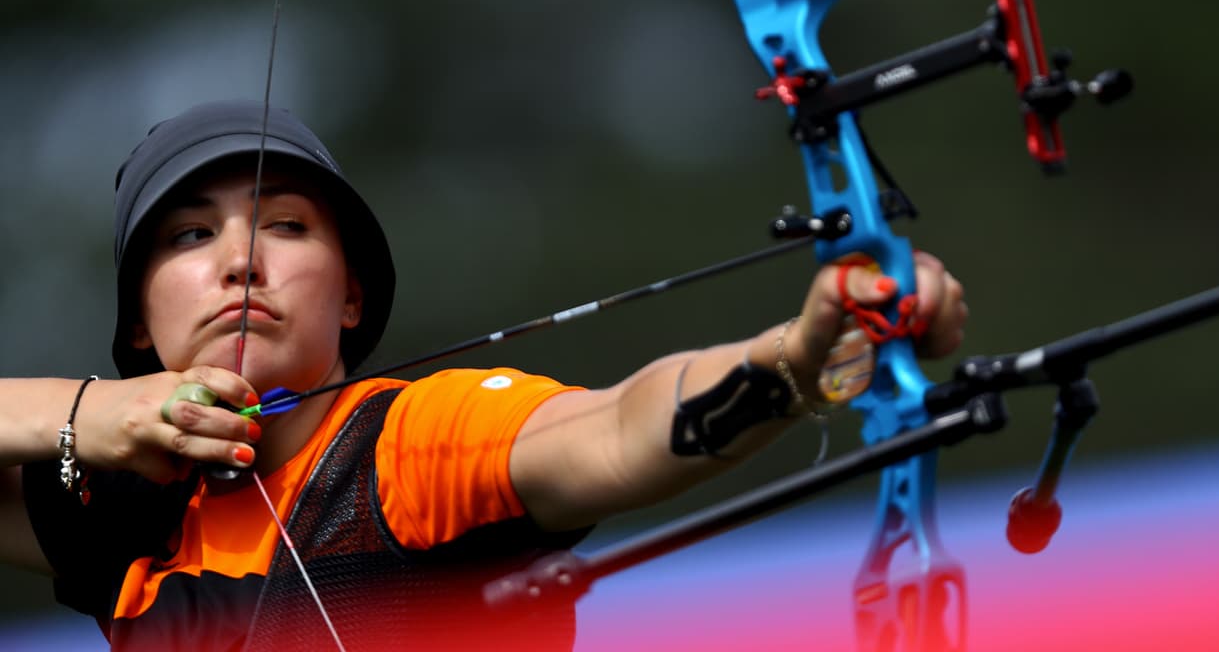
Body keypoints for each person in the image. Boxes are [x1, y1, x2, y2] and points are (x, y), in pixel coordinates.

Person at [0, 101, 967, 651]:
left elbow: (623, 428)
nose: (240, 260)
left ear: (350, 297)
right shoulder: (115, 508)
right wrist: (90, 417)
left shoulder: (405, 446)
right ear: (137, 319)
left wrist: (801, 358)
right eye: (190, 236)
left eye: (286, 225)